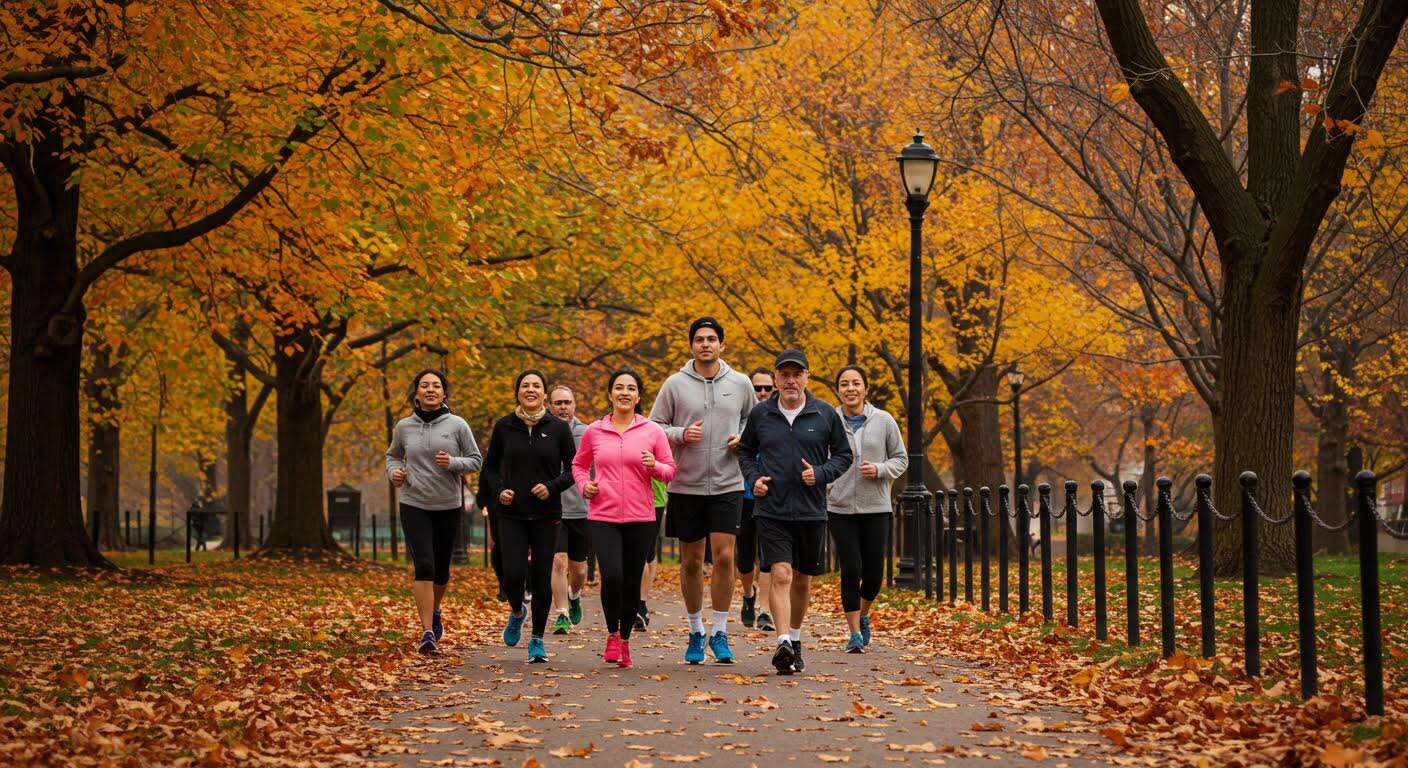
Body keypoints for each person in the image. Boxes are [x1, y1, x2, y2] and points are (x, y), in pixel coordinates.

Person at [738, 349, 852, 675]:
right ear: (776, 379)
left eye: (796, 374)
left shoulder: (825, 414)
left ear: (807, 377)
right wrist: (754, 478)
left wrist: (821, 473)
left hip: (811, 510)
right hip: (771, 509)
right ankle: (783, 641)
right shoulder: (761, 414)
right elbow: (745, 451)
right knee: (781, 574)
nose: (790, 381)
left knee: (802, 580)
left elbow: (844, 456)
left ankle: (796, 639)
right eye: (784, 375)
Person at [649, 316, 755, 664]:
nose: (705, 344)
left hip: (728, 482)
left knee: (724, 557)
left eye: (711, 339)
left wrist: (743, 438)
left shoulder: (740, 383)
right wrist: (680, 434)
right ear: (691, 345)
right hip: (687, 484)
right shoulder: (675, 384)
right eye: (699, 339)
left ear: (722, 345)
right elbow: (654, 427)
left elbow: (753, 420)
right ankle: (695, 631)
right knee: (692, 561)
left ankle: (720, 631)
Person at [573, 369, 676, 669]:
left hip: (641, 517)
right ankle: (612, 634)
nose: (624, 393)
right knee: (612, 576)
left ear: (638, 396)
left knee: (631, 581)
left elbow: (670, 470)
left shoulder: (652, 431)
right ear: (610, 394)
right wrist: (584, 485)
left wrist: (653, 465)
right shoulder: (594, 431)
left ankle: (627, 641)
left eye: (631, 388)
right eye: (619, 387)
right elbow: (579, 465)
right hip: (602, 515)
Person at [482, 370, 577, 663]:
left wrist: (552, 487)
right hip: (511, 513)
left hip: (547, 514)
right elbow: (490, 468)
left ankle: (537, 639)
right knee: (512, 575)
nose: (531, 389)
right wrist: (500, 490)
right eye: (525, 385)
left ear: (544, 394)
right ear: (517, 392)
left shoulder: (558, 428)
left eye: (536, 385)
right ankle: (516, 611)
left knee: (541, 577)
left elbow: (574, 469)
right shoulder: (504, 426)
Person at [386, 369, 483, 654]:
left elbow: (476, 460)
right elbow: (393, 456)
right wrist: (395, 472)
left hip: (447, 505)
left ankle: (435, 609)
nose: (430, 390)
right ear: (416, 393)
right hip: (414, 503)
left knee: (441, 570)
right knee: (424, 565)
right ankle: (427, 631)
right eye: (425, 385)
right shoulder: (404, 427)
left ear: (444, 393)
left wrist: (453, 462)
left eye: (436, 386)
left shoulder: (457, 425)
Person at [827, 366, 907, 653]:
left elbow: (901, 459)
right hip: (840, 507)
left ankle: (863, 614)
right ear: (838, 389)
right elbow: (817, 456)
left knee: (873, 574)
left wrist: (880, 469)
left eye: (856, 383)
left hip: (876, 506)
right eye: (844, 384)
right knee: (850, 569)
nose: (850, 388)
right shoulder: (829, 420)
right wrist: (827, 481)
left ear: (865, 389)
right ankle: (854, 634)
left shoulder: (884, 420)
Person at [739, 367, 777, 632]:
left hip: (771, 496)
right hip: (742, 494)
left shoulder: (779, 417)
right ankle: (748, 595)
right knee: (744, 557)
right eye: (757, 388)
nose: (762, 393)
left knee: (768, 556)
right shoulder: (740, 417)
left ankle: (764, 611)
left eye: (768, 388)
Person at [550, 385, 590, 635]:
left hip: (582, 510)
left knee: (580, 570)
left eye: (567, 402)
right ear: (550, 406)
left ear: (574, 405)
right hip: (553, 510)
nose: (563, 407)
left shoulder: (587, 433)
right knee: (558, 561)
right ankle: (562, 614)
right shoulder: (543, 432)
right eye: (558, 403)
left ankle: (574, 596)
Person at [635, 477, 668, 631]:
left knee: (648, 551)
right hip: (631, 498)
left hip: (656, 500)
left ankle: (642, 602)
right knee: (638, 550)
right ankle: (637, 603)